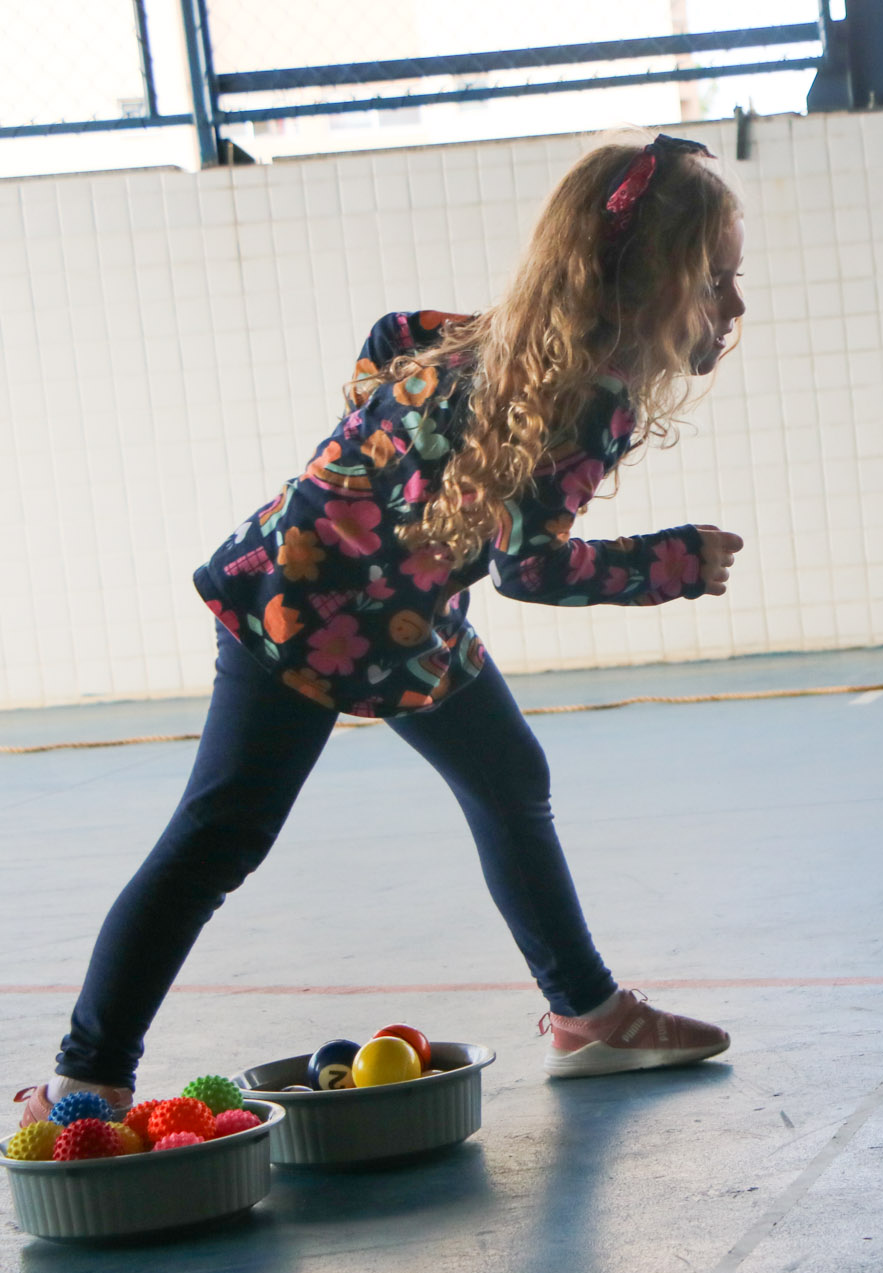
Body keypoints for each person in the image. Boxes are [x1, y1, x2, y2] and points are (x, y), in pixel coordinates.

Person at [17, 134, 750, 1125]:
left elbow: (387, 333)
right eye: (714, 283)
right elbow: (529, 566)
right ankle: (85, 1078)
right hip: (307, 606)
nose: (732, 308)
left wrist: (379, 457)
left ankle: (588, 1013)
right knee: (222, 833)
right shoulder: (586, 402)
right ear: (645, 282)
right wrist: (673, 563)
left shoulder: (481, 339)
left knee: (508, 776)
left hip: (402, 616)